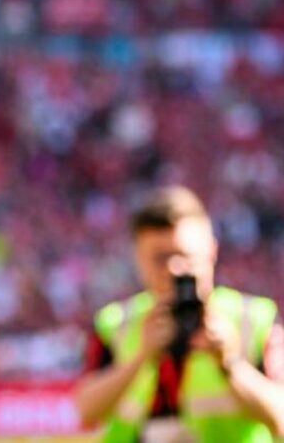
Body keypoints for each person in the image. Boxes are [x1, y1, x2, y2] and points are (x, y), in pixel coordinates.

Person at [75, 186, 284, 442]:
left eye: (184, 256)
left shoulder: (253, 319)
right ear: (138, 258)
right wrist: (142, 357)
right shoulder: (116, 324)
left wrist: (231, 364)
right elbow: (86, 410)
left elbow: (281, 416)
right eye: (160, 258)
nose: (174, 269)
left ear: (211, 250)